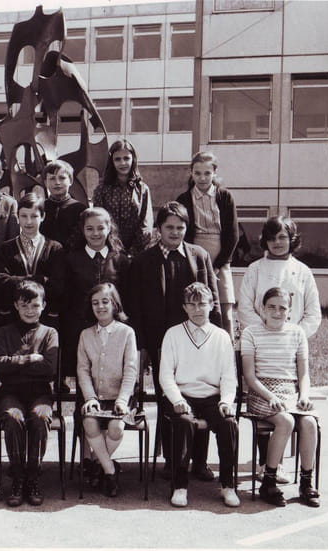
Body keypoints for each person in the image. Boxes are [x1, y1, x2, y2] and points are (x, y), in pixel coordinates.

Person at [127, 201, 221, 479]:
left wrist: (217, 336)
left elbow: (213, 299)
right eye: (169, 227)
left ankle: (200, 461)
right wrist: (142, 345)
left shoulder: (199, 255)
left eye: (180, 227)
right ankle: (172, 460)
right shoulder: (143, 261)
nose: (175, 232)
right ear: (159, 229)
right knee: (169, 399)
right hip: (162, 344)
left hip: (199, 342)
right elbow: (136, 306)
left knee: (203, 396)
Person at [238, 215, 321, 482]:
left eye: (283, 237)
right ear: (265, 240)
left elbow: (313, 313)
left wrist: (291, 335)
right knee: (271, 406)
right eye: (272, 238)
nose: (277, 243)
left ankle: (281, 466)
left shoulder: (303, 271)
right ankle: (266, 463)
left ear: (292, 240)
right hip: (260, 345)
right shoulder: (255, 269)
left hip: (290, 350)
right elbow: (245, 307)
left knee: (293, 410)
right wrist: (266, 333)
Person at [159, 282, 239, 508]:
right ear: (184, 307)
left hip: (212, 398)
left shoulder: (221, 336)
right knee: (184, 422)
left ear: (212, 305)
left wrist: (226, 401)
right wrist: (177, 400)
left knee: (228, 423)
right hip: (182, 396)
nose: (197, 309)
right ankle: (180, 486)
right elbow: (165, 375)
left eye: (202, 304)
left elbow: (228, 376)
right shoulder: (173, 334)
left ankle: (227, 485)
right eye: (192, 305)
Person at [241, 287, 320, 508]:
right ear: (262, 309)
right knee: (286, 421)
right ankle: (269, 482)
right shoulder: (251, 333)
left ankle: (306, 483)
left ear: (290, 311)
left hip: (289, 390)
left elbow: (303, 374)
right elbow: (249, 376)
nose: (277, 312)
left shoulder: (297, 333)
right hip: (261, 391)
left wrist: (304, 396)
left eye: (282, 308)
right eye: (271, 307)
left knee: (310, 422)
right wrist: (269, 396)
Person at [0, 280, 58, 507]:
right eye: (24, 305)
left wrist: (15, 363)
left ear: (44, 305)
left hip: (40, 393)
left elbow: (49, 368)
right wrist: (30, 358)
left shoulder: (50, 333)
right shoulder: (3, 333)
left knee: (40, 417)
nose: (30, 311)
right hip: (10, 393)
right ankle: (18, 477)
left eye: (35, 305)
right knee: (13, 418)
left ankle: (33, 476)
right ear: (16, 306)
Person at [77, 282, 137, 497]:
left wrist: (122, 399)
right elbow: (83, 370)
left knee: (116, 428)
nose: (100, 307)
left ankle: (97, 465)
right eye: (95, 303)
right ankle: (110, 472)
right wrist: (90, 398)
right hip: (95, 398)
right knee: (89, 423)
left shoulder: (127, 333)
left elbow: (131, 370)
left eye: (105, 301)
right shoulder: (85, 334)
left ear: (114, 304)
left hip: (120, 397)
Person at [62, 207, 130, 390]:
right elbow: (67, 300)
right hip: (81, 330)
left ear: (109, 228)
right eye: (89, 228)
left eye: (101, 228)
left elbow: (126, 298)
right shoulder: (71, 260)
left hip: (113, 332)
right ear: (82, 230)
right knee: (85, 380)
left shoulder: (121, 260)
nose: (95, 233)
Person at [176, 151, 238, 339]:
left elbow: (232, 234)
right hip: (195, 257)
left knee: (225, 311)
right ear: (191, 173)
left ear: (214, 173)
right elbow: (182, 234)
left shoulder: (225, 197)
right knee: (196, 305)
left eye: (207, 173)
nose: (202, 178)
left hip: (221, 258)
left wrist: (218, 265)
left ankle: (228, 349)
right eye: (197, 173)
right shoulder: (183, 199)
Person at [0, 192, 65, 329]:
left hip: (46, 321)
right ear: (17, 217)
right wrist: (41, 279)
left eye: (34, 216)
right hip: (13, 319)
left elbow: (57, 287)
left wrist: (16, 279)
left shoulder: (55, 248)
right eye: (24, 216)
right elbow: (2, 283)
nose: (29, 222)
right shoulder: (6, 248)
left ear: (42, 217)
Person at [92, 139, 154, 258]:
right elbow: (98, 221)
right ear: (112, 161)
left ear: (133, 159)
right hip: (109, 251)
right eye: (117, 159)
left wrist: (132, 253)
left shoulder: (142, 189)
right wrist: (114, 250)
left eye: (126, 158)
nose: (122, 163)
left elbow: (146, 224)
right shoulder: (101, 189)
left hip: (136, 253)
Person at [40, 159, 86, 248]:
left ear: (71, 181)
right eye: (52, 178)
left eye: (62, 178)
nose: (57, 183)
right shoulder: (40, 208)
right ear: (45, 182)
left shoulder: (80, 209)